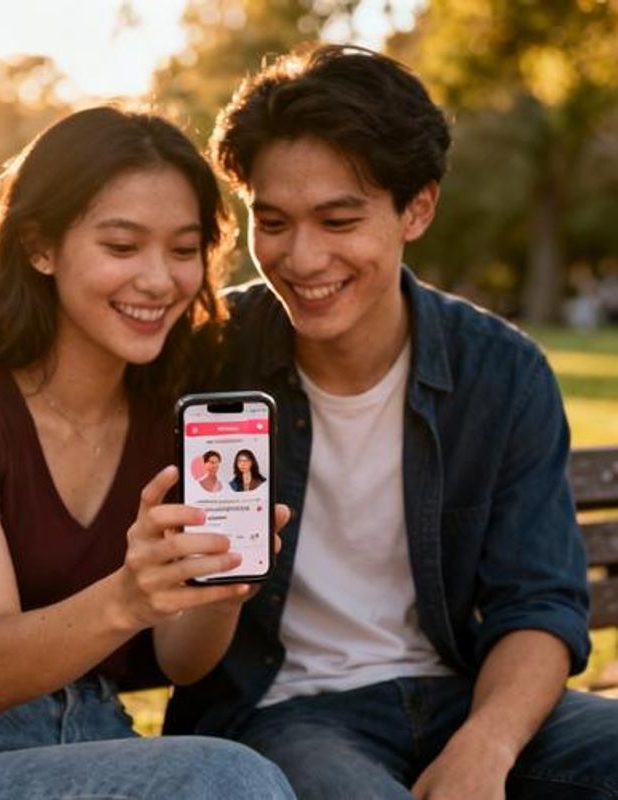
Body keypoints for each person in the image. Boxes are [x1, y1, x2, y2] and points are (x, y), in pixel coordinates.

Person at [161, 46, 618, 799]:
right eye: (271, 221)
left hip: (463, 696)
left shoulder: (500, 373)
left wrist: (488, 744)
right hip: (286, 715)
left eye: (338, 220)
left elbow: (537, 603)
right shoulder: (208, 355)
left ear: (419, 208)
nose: (301, 259)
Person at [0, 106, 295, 800]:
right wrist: (131, 595)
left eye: (184, 249)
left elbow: (182, 662)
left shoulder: (167, 422)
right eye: (122, 246)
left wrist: (220, 593)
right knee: (228, 779)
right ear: (41, 246)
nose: (160, 280)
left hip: (94, 746)